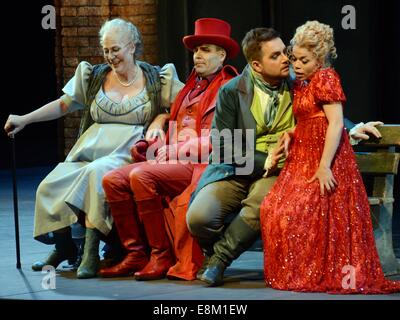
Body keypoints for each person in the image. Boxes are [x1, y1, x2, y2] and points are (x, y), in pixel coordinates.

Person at [186, 26, 385, 287]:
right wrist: (264, 160)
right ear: (256, 65)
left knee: (262, 207)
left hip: (283, 169)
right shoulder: (232, 91)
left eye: (285, 53)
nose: (286, 60)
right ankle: (219, 253)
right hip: (238, 168)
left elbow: (323, 116)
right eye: (276, 56)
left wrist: (354, 127)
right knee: (199, 218)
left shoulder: (298, 82)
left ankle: (219, 260)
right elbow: (224, 147)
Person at [3, 18, 182, 279]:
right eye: (106, 50)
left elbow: (182, 107)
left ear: (132, 47)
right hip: (88, 150)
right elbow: (63, 105)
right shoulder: (95, 76)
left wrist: (161, 117)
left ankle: (90, 249)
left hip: (126, 153)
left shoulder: (157, 78)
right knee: (49, 184)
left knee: (96, 174)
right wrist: (25, 119)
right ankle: (64, 246)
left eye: (116, 49)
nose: (110, 56)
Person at [260, 21, 400, 294]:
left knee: (298, 209)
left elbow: (334, 124)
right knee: (272, 207)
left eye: (304, 60)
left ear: (320, 59)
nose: (297, 65)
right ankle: (300, 269)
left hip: (327, 160)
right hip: (301, 158)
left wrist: (325, 167)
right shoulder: (302, 82)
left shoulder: (326, 78)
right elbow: (310, 120)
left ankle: (313, 270)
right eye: (294, 58)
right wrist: (291, 133)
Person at [99, 18, 239, 281]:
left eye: (206, 49)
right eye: (196, 49)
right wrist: (158, 142)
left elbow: (223, 139)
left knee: (141, 176)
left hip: (203, 164)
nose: (198, 55)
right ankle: (134, 253)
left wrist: (178, 149)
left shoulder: (229, 87)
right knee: (113, 180)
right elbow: (177, 125)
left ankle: (160, 255)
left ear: (222, 55)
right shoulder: (191, 85)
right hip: (177, 159)